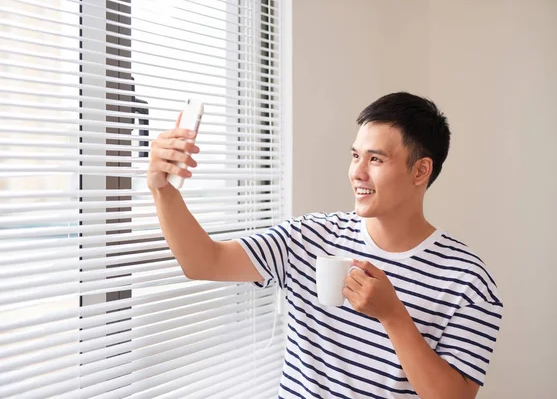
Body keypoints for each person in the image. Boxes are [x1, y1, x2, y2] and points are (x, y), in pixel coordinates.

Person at [148, 92, 503, 398]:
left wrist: (393, 316)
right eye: (355, 156)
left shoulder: (467, 279)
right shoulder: (310, 237)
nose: (357, 172)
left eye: (375, 159)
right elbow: (204, 262)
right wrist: (162, 189)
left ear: (421, 171)